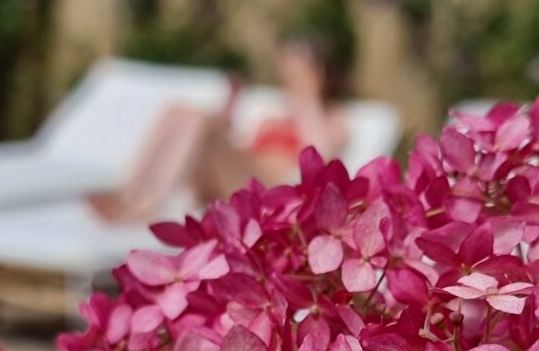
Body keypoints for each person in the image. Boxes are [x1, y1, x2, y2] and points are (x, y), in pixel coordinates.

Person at [89, 34, 347, 222]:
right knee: (177, 112)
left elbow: (321, 157)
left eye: (299, 73)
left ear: (320, 74)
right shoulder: (275, 114)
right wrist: (228, 116)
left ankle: (146, 207)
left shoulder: (333, 121)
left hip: (258, 187)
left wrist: (308, 97)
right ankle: (128, 193)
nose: (290, 81)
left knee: (200, 120)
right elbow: (240, 143)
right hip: (226, 173)